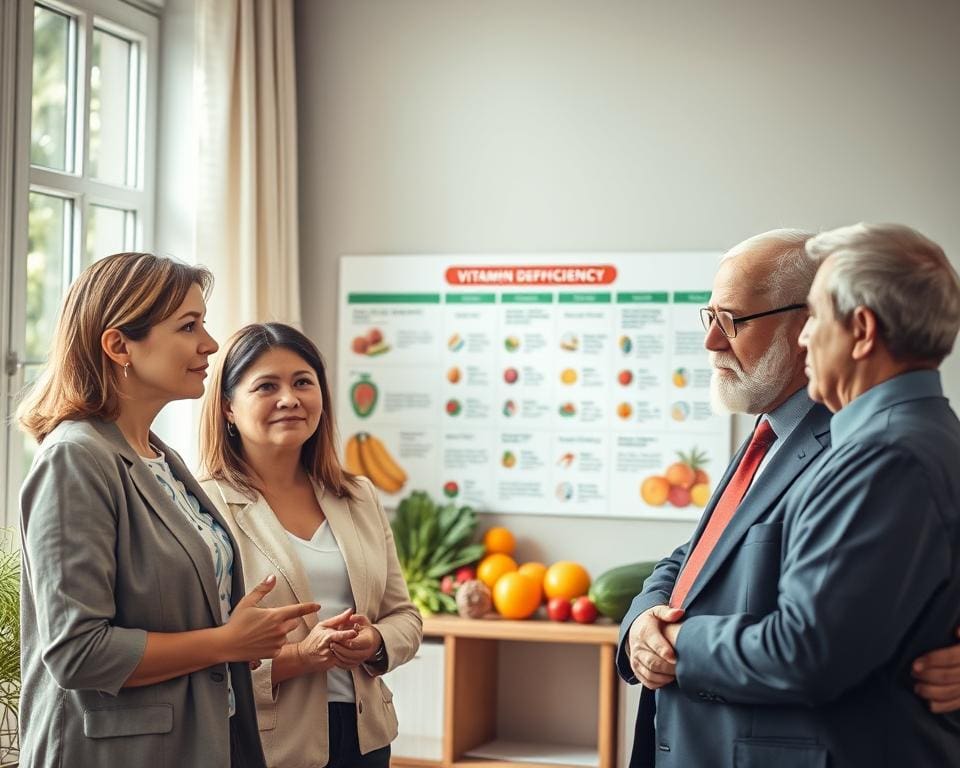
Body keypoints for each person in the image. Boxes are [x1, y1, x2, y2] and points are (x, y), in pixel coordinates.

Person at [618, 227, 960, 767]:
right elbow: (702, 559)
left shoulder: (877, 449)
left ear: (856, 329)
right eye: (708, 318)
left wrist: (679, 642)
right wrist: (642, 623)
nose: (710, 341)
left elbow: (809, 650)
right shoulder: (776, 432)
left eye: (730, 320)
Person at [17, 253, 320, 768]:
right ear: (118, 346)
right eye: (188, 326)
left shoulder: (161, 457)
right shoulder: (76, 458)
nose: (210, 343)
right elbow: (78, 653)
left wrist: (237, 633)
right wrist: (224, 642)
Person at [199, 322, 422, 768]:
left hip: (365, 737)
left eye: (303, 382)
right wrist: (302, 656)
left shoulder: (357, 496)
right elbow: (203, 656)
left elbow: (405, 616)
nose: (290, 399)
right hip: (264, 744)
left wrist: (376, 640)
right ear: (227, 408)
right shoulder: (203, 505)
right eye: (266, 386)